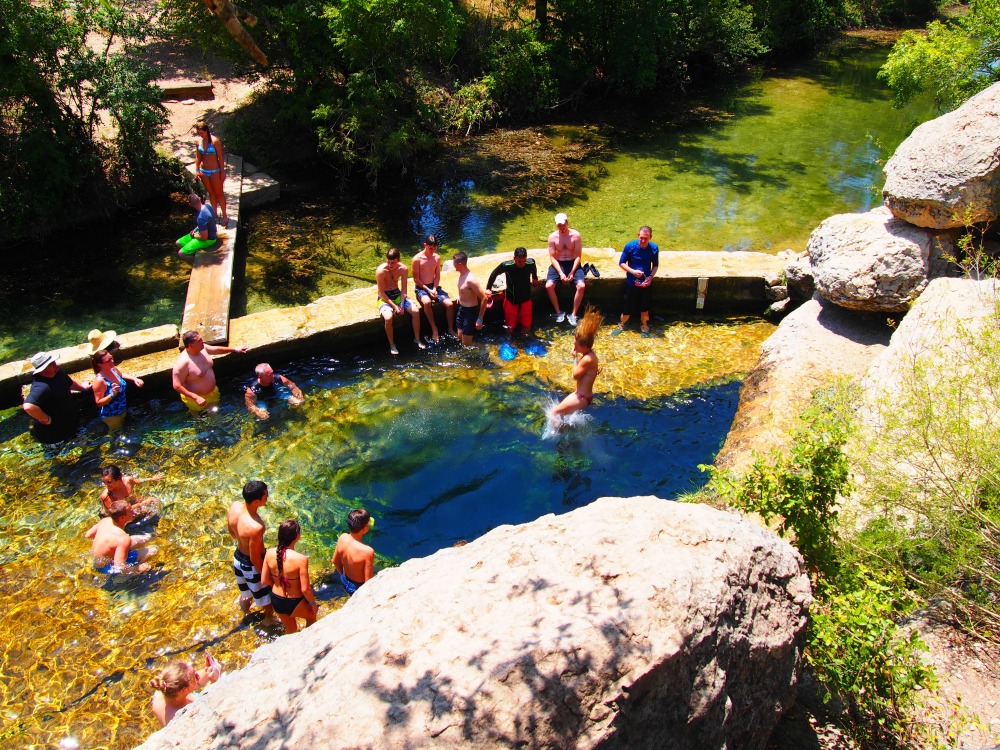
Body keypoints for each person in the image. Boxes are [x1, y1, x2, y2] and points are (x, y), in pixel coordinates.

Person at [261, 519, 318, 634]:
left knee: (291, 629)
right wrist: (313, 604)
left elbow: (264, 580)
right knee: (312, 618)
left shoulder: (269, 553)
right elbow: (305, 589)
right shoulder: (301, 559)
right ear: (297, 536)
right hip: (294, 602)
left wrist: (277, 584)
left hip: (276, 600)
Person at [171, 330, 248, 414]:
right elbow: (177, 385)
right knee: (200, 419)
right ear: (190, 345)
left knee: (215, 415)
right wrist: (196, 397)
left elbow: (216, 349)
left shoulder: (202, 348)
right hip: (195, 400)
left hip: (213, 393)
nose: (202, 341)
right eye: (199, 340)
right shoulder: (183, 362)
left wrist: (235, 349)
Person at [227, 480, 273, 616]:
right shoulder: (256, 527)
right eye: (265, 494)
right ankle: (268, 620)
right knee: (267, 598)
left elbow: (232, 533)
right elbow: (254, 558)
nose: (268, 496)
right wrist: (267, 578)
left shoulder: (235, 507)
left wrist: (243, 540)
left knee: (246, 593)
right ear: (256, 501)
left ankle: (245, 613)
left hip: (238, 559)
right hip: (252, 566)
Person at [22, 351, 89, 444]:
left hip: (70, 425)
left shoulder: (57, 373)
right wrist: (46, 419)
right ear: (43, 369)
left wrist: (83, 388)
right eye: (51, 364)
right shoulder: (41, 386)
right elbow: (28, 406)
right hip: (54, 436)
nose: (55, 364)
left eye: (54, 361)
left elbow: (70, 383)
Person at [551, 307, 604, 421]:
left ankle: (562, 437)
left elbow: (575, 376)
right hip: (582, 396)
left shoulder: (587, 359)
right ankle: (566, 433)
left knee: (554, 413)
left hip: (581, 397)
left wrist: (575, 359)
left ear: (584, 346)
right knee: (560, 414)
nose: (574, 347)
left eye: (576, 345)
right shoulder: (590, 355)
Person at [85, 500, 156, 574]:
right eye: (131, 511)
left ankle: (151, 536)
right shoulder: (123, 539)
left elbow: (88, 535)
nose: (134, 512)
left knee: (143, 538)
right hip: (106, 567)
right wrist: (136, 569)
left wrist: (105, 546)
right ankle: (119, 579)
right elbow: (119, 568)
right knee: (153, 550)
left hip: (97, 560)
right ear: (122, 518)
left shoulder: (106, 520)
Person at [376, 247, 425, 355]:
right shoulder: (381, 271)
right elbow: (381, 293)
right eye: (388, 262)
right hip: (384, 297)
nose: (390, 265)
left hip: (397, 294)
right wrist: (395, 307)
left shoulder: (403, 269)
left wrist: (402, 303)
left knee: (416, 312)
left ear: (398, 260)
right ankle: (392, 344)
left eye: (392, 262)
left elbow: (404, 289)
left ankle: (417, 339)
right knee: (388, 318)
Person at [150, 655, 222, 727]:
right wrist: (215, 682)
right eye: (196, 676)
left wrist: (209, 670)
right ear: (183, 690)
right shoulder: (183, 716)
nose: (198, 675)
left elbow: (184, 681)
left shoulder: (163, 688)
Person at [411, 234, 457, 343]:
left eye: (435, 248)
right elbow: (416, 279)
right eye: (430, 248)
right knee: (427, 302)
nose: (432, 250)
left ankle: (450, 328)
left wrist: (435, 288)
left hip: (434, 286)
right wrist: (428, 290)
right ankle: (434, 328)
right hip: (422, 287)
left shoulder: (437, 257)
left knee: (450, 304)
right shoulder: (416, 259)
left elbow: (438, 276)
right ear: (425, 245)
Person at [486, 247, 540, 337]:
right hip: (511, 300)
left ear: (526, 258)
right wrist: (488, 288)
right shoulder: (506, 266)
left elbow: (533, 268)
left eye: (523, 261)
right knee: (510, 327)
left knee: (527, 326)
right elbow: (494, 273)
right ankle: (510, 342)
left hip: (526, 299)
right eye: (519, 261)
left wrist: (535, 278)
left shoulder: (530, 262)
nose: (522, 264)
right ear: (514, 258)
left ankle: (526, 341)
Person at [616, 225, 659, 334]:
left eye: (646, 238)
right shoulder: (630, 246)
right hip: (632, 283)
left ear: (650, 238)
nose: (643, 240)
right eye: (641, 237)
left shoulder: (654, 248)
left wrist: (650, 277)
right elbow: (621, 263)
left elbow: (655, 265)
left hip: (646, 284)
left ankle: (644, 325)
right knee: (627, 308)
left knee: (645, 309)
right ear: (638, 235)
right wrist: (632, 272)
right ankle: (622, 324)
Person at [545, 212, 585, 326]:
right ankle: (559, 312)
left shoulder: (576, 235)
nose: (561, 227)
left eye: (563, 224)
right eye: (559, 225)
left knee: (581, 286)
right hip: (559, 263)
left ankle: (573, 314)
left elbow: (578, 256)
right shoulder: (552, 237)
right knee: (548, 286)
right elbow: (552, 257)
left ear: (567, 222)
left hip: (573, 263)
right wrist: (561, 273)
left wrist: (572, 272)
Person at [91, 349, 144, 431]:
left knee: (123, 431)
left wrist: (134, 379)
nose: (112, 361)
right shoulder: (100, 381)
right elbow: (98, 403)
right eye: (108, 361)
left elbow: (121, 374)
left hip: (122, 409)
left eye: (111, 358)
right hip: (112, 415)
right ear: (100, 365)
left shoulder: (113, 369)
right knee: (115, 436)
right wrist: (112, 394)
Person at [193, 121, 228, 228]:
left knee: (219, 193)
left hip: (215, 170)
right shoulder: (198, 141)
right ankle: (214, 214)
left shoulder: (215, 141)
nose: (200, 135)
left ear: (206, 130)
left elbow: (221, 158)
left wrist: (222, 172)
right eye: (199, 133)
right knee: (211, 193)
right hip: (204, 171)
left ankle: (225, 216)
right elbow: (198, 157)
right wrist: (197, 170)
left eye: (202, 133)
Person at [332, 508, 375, 595]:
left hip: (344, 580)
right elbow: (368, 583)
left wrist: (343, 576)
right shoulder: (367, 552)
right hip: (358, 587)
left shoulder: (342, 537)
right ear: (365, 528)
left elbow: (335, 561)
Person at [452, 251, 488, 346]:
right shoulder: (461, 275)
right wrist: (460, 295)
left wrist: (480, 318)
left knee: (466, 344)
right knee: (459, 336)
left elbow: (484, 298)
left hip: (470, 312)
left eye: (454, 263)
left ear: (459, 264)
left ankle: (483, 348)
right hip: (462, 309)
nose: (453, 265)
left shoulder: (471, 279)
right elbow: (464, 290)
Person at [99, 465, 163, 518]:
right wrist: (141, 504)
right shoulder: (107, 496)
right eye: (104, 482)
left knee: (154, 501)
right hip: (120, 513)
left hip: (130, 501)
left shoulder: (128, 480)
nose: (106, 485)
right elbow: (117, 514)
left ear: (119, 478)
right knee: (147, 510)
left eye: (109, 482)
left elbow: (137, 481)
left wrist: (152, 479)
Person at [175, 193, 218, 260]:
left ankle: (200, 261)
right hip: (203, 232)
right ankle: (193, 251)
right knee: (178, 242)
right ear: (200, 199)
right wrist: (195, 229)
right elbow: (206, 223)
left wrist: (194, 235)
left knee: (181, 253)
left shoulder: (201, 217)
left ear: (190, 205)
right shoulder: (207, 206)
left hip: (209, 239)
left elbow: (204, 237)